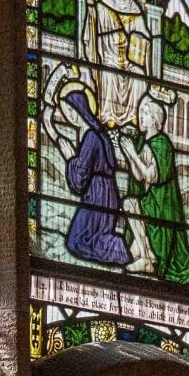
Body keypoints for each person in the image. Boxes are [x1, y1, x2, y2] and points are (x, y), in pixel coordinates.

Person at [119, 93, 189, 284]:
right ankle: (145, 254)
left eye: (145, 113)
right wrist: (129, 154)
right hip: (153, 200)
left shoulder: (162, 144)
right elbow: (138, 175)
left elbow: (151, 176)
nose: (141, 116)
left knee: (129, 204)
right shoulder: (146, 144)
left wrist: (132, 155)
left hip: (163, 207)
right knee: (128, 251)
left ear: (154, 120)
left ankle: (148, 259)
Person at [56, 83, 132, 269]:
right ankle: (125, 249)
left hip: (98, 195)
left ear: (78, 111)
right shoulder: (99, 134)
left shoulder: (91, 136)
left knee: (79, 241)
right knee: (84, 238)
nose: (69, 115)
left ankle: (124, 250)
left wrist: (69, 158)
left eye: (71, 110)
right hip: (105, 193)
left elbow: (81, 176)